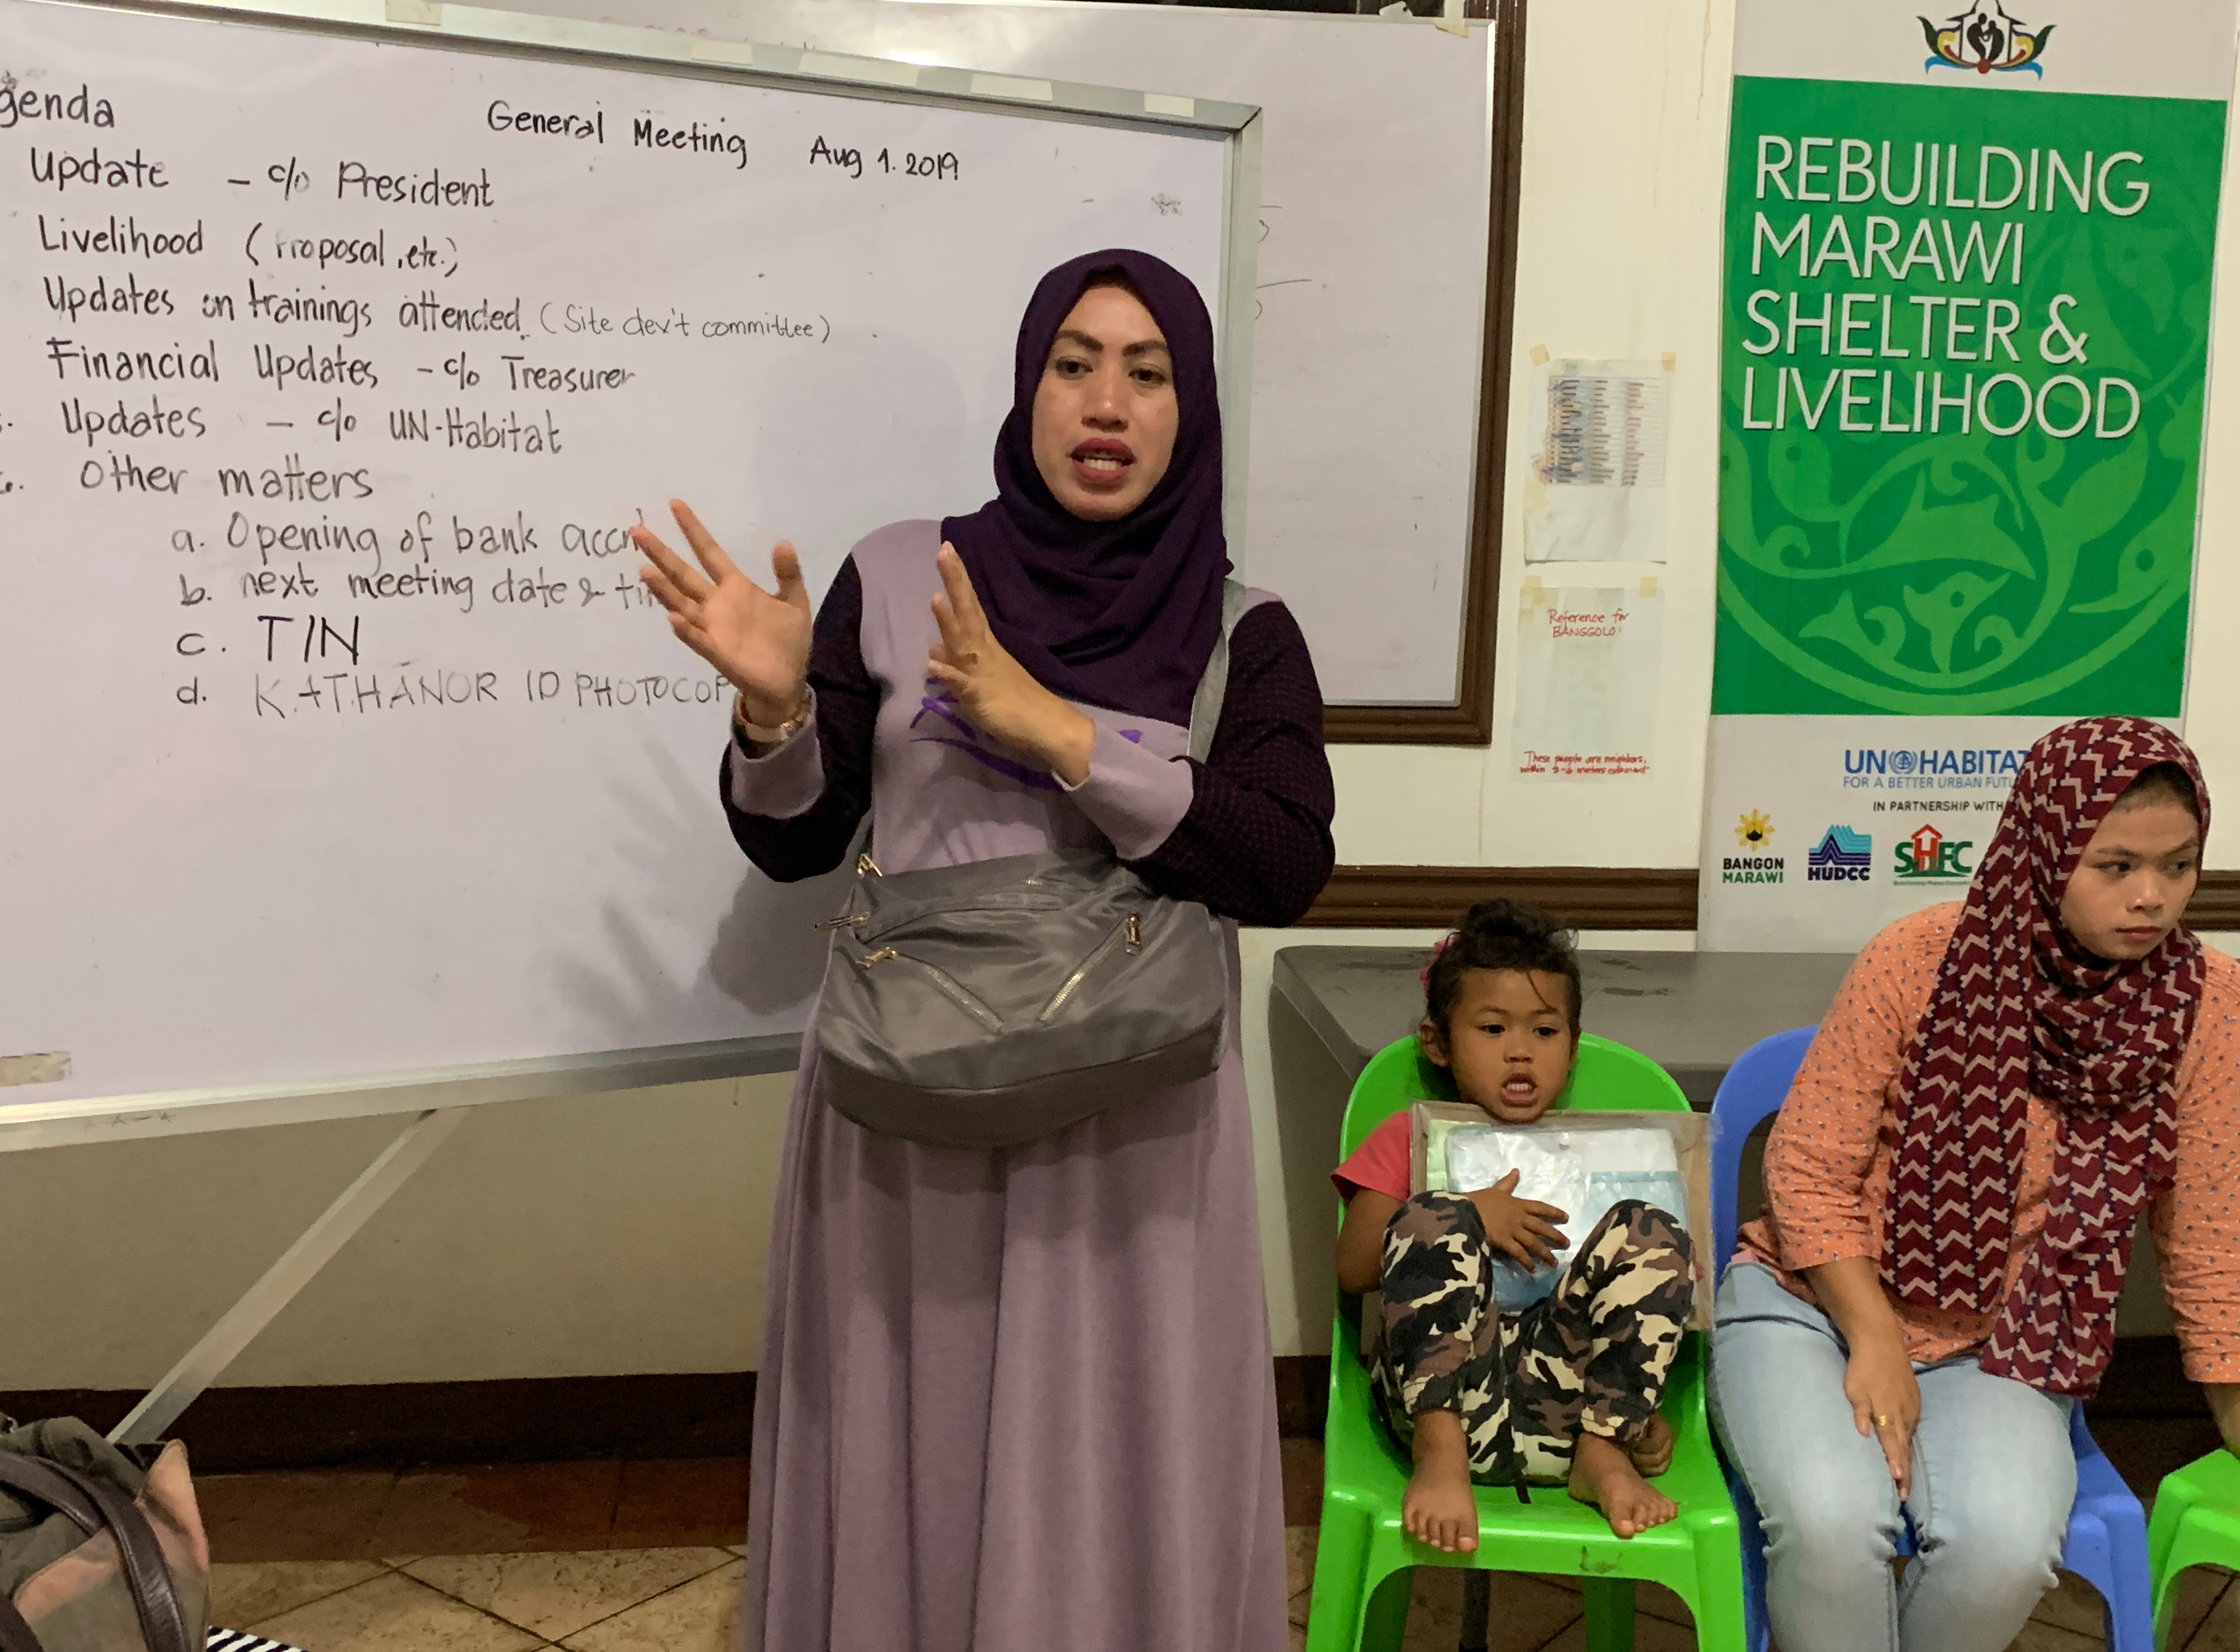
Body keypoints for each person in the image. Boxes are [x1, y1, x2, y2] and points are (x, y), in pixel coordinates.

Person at [631, 249, 1334, 1651]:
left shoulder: (1242, 631)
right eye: (1074, 362)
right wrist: (775, 724)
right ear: (1029, 389)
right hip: (910, 1114)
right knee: (915, 1442)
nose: (1107, 401)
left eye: (1148, 374)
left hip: (1131, 1133)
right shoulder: (897, 575)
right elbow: (797, 840)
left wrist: (1061, 733)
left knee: (1109, 1461)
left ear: (1190, 409)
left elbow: (1279, 862)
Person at [1711, 717, 2240, 1652]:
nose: (2151, 898)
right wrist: (1872, 1333)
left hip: (2014, 1335)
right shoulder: (1919, 958)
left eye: (2180, 867)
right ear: (2044, 849)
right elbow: (1804, 1171)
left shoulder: (2208, 1004)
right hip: (1814, 1302)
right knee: (1837, 1526)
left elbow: (2209, 1237)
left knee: (2004, 1547)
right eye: (2114, 867)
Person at [1330, 899, 1697, 1553]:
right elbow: (1355, 1269)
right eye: (1493, 1030)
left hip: (1566, 1411)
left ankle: (1605, 1450)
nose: (1521, 1053)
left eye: (1545, 1033)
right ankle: (1439, 1456)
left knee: (1653, 1230)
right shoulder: (1411, 1139)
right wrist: (1468, 1210)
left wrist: (1630, 1408)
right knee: (1432, 1213)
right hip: (1442, 1401)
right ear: (1438, 1042)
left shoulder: (1609, 1147)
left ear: (1573, 1045)